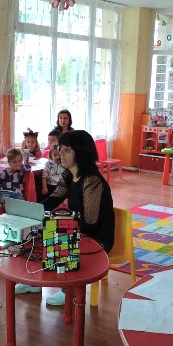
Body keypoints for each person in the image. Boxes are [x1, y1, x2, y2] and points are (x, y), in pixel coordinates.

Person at [19, 130, 114, 305]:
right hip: (80, 231)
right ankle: (35, 281)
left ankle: (69, 290)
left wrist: (59, 227)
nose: (60, 153)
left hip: (97, 239)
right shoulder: (69, 175)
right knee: (34, 235)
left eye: (67, 150)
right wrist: (30, 213)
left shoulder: (91, 181)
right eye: (61, 148)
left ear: (81, 153)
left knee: (55, 236)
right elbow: (52, 200)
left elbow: (90, 224)